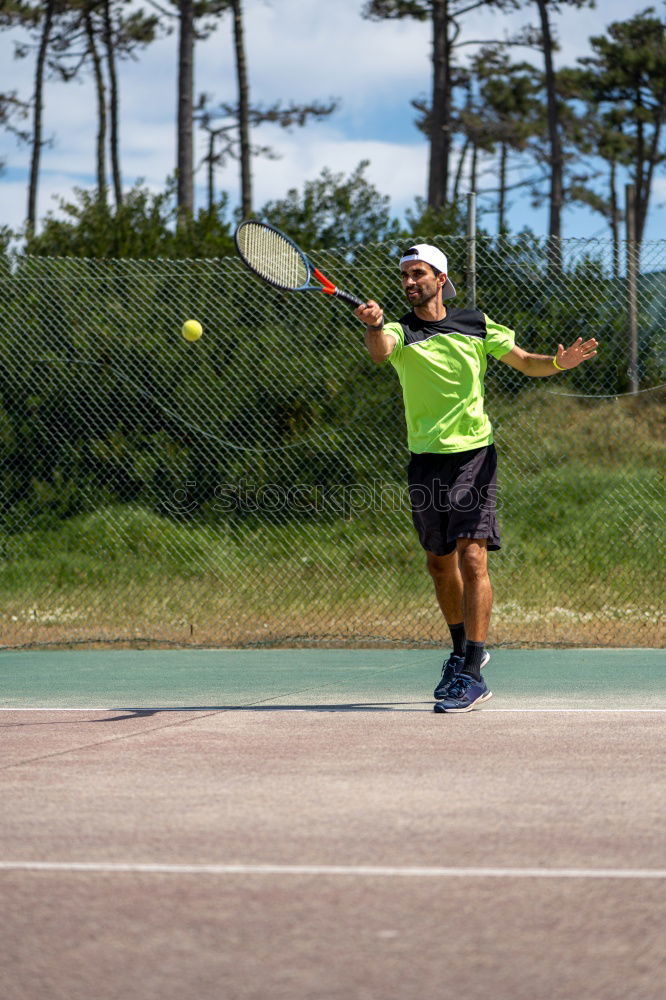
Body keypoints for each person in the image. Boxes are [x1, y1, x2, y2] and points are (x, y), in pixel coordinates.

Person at [355, 244, 598, 714]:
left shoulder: (474, 323)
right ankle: (461, 648)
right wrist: (371, 325)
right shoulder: (398, 330)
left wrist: (557, 364)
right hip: (425, 460)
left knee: (472, 556)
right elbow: (381, 352)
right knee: (438, 564)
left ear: (440, 278)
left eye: (418, 273)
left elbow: (525, 360)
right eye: (403, 275)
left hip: (474, 456)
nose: (409, 282)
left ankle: (472, 672)